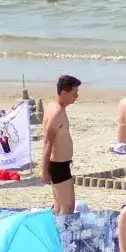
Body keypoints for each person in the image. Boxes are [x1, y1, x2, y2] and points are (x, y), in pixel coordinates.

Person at [42, 74, 80, 213]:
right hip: (58, 165)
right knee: (67, 208)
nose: (76, 97)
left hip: (62, 164)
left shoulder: (55, 107)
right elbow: (48, 142)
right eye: (74, 94)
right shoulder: (57, 112)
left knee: (60, 206)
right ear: (64, 93)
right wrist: (44, 170)